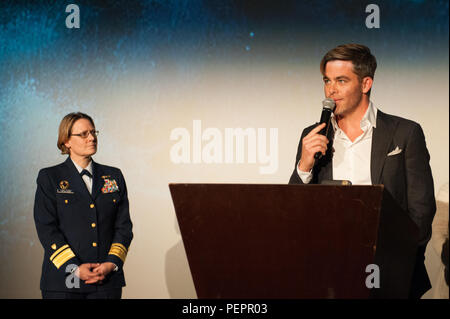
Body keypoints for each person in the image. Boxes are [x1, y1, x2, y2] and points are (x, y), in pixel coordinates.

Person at [289, 44, 436, 299]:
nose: (331, 90)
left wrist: (396, 264)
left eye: (341, 81)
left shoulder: (405, 133)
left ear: (365, 84)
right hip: (330, 274)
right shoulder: (312, 135)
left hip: (391, 275)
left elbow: (421, 211)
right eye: (327, 81)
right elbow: (291, 210)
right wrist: (303, 167)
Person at [33, 112, 133, 299]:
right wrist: (73, 268)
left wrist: (111, 263)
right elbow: (47, 229)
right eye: (84, 134)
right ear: (66, 141)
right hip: (63, 281)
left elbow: (124, 227)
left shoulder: (114, 176)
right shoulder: (50, 178)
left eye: (94, 132)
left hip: (106, 281)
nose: (92, 138)